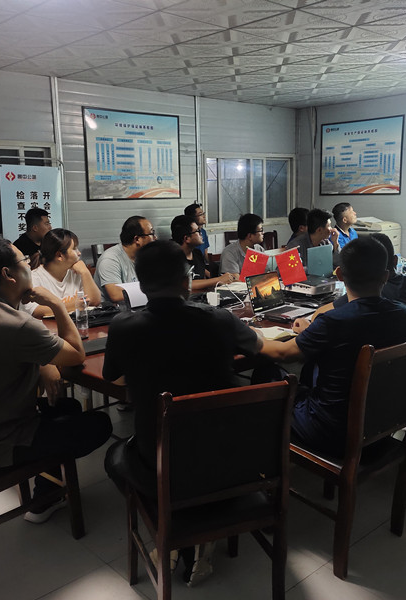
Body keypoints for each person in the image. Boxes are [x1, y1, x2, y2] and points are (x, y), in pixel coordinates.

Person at [103, 240, 262, 584]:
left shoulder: (123, 327)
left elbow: (112, 376)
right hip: (230, 462)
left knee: (115, 457)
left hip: (160, 466)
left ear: (142, 286)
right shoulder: (220, 320)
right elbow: (260, 347)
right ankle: (203, 532)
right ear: (186, 281)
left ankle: (171, 531)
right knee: (203, 444)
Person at [0, 237, 112, 523]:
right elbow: (75, 355)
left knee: (67, 407)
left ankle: (46, 497)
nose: (30, 266)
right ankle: (45, 496)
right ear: (8, 274)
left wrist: (43, 362)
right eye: (24, 261)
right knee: (100, 424)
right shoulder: (15, 324)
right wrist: (57, 304)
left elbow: (8, 350)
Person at [258, 236, 406, 457]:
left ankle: (265, 464)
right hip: (382, 426)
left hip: (332, 431)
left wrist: (249, 333)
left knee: (266, 373)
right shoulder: (403, 315)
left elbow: (283, 353)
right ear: (386, 276)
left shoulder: (334, 321)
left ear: (339, 274)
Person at [22, 228, 102, 317]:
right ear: (59, 255)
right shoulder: (34, 278)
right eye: (74, 249)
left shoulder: (77, 272)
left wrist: (85, 272)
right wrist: (74, 305)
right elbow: (36, 311)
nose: (79, 253)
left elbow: (94, 301)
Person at [94, 216, 156, 303]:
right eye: (151, 233)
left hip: (139, 307)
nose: (155, 238)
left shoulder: (146, 256)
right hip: (113, 310)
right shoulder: (110, 259)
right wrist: (155, 292)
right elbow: (116, 295)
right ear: (137, 239)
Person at [170, 215, 236, 291]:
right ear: (187, 238)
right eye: (197, 231)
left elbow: (203, 281)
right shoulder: (172, 258)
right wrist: (218, 280)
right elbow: (183, 285)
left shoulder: (197, 254)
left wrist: (230, 278)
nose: (201, 233)